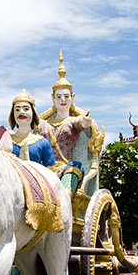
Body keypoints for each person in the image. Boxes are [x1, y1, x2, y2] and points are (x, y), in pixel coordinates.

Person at [38, 51, 102, 193]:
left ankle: (65, 205)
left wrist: (85, 121)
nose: (62, 100)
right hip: (45, 171)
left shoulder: (73, 122)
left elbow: (81, 123)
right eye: (59, 96)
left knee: (70, 179)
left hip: (67, 168)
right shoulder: (43, 124)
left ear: (72, 98)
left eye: (66, 96)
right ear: (53, 98)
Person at [0, 90, 56, 167]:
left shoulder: (43, 143)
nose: (21, 112)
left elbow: (50, 172)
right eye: (17, 110)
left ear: (33, 113)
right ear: (12, 115)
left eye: (26, 109)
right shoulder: (5, 140)